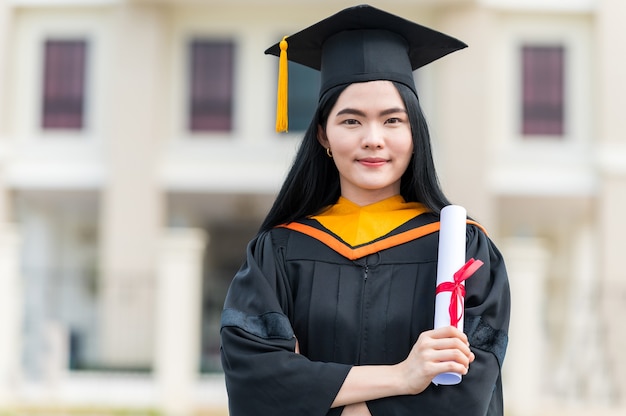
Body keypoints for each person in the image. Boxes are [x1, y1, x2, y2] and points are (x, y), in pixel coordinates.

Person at [220, 4, 510, 416]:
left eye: (393, 121)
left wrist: (334, 403)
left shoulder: (464, 250)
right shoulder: (279, 252)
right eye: (351, 121)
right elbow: (256, 381)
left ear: (415, 133)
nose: (373, 139)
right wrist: (404, 377)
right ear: (322, 133)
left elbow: (467, 392)